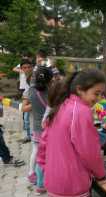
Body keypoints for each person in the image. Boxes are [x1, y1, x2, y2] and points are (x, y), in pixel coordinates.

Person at [37, 69, 106, 197]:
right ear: (80, 90)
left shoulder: (62, 105)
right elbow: (90, 152)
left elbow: (43, 143)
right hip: (72, 185)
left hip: (53, 181)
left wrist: (46, 169)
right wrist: (101, 174)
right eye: (96, 93)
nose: (99, 98)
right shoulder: (81, 111)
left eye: (101, 94)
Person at [22, 66, 53, 194]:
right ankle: (44, 180)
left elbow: (24, 108)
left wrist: (33, 106)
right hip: (48, 127)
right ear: (49, 80)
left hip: (35, 127)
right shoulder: (51, 92)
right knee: (47, 155)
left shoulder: (30, 91)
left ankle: (31, 173)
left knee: (36, 151)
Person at [13, 59, 34, 143]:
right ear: (21, 69)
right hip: (27, 97)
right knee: (26, 119)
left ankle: (32, 136)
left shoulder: (34, 76)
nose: (27, 69)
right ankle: (29, 136)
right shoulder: (23, 75)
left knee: (29, 118)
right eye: (24, 68)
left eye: (29, 67)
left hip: (34, 99)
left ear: (32, 67)